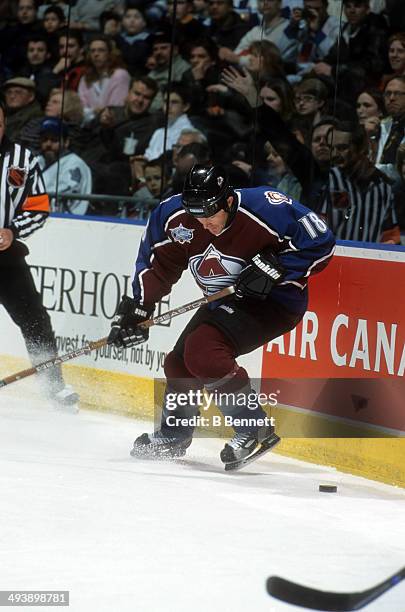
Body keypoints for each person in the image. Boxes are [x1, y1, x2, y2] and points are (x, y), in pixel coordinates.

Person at [107, 163, 335, 467]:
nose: (204, 224)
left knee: (203, 351)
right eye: (196, 216)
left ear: (228, 202)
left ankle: (254, 426)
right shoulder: (173, 217)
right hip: (225, 299)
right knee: (178, 362)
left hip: (274, 302)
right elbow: (158, 264)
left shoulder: (265, 206)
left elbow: (321, 241)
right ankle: (174, 436)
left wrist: (276, 267)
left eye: (210, 215)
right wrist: (139, 308)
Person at [0, 99, 79, 410]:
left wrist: (12, 230)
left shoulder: (22, 160)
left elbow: (39, 207)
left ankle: (53, 385)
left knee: (35, 321)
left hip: (6, 259)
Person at [37, 117, 92, 215]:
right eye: (44, 139)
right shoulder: (37, 160)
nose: (48, 144)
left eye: (54, 140)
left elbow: (60, 201)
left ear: (66, 142)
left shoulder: (75, 164)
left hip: (68, 221)